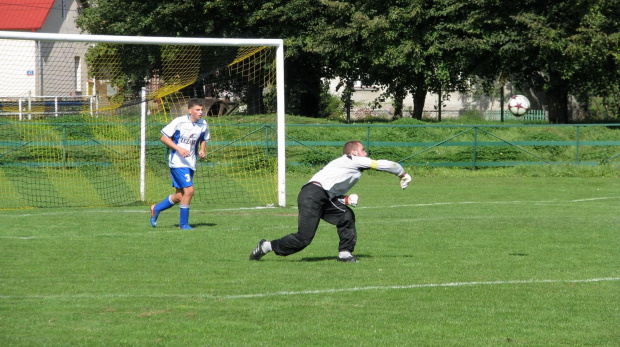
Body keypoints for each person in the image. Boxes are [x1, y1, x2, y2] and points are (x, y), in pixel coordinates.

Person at [249, 140, 411, 262]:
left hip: (320, 196)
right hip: (313, 195)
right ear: (354, 152)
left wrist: (345, 199)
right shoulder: (352, 160)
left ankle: (345, 253)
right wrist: (402, 174)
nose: (366, 153)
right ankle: (266, 246)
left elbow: (330, 191)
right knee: (303, 238)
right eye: (363, 150)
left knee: (346, 216)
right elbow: (387, 164)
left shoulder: (347, 165)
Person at [150, 99, 210, 230]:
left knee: (180, 196)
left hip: (191, 163)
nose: (200, 112)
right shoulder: (179, 121)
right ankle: (183, 225)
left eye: (201, 110)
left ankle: (156, 208)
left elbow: (204, 138)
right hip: (177, 162)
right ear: (190, 110)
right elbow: (164, 138)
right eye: (197, 110)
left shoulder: (203, 124)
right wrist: (179, 149)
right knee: (190, 191)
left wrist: (202, 149)